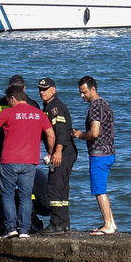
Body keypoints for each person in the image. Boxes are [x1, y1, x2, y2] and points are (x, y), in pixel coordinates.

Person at [0, 85, 55, 238]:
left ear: (12, 98)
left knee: (8, 195)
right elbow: (50, 135)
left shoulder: (8, 113)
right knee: (26, 196)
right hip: (30, 161)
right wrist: (50, 153)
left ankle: (11, 228)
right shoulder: (39, 114)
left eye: (9, 100)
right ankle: (24, 230)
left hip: (9, 161)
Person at [0, 74, 44, 230]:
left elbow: (39, 130)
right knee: (4, 190)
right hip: (5, 153)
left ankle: (29, 220)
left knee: (27, 192)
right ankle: (7, 222)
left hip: (25, 153)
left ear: (24, 89)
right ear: (9, 88)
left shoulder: (32, 104)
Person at [72, 76, 117, 236]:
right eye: (80, 93)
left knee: (99, 190)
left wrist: (79, 134)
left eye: (84, 92)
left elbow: (94, 132)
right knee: (101, 188)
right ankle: (111, 222)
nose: (82, 96)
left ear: (93, 89)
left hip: (99, 154)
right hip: (109, 152)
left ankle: (108, 225)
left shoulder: (95, 106)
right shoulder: (105, 104)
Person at [37, 77, 78, 234]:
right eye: (40, 89)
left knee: (53, 188)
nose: (42, 92)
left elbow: (61, 130)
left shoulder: (55, 107)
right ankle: (64, 223)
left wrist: (58, 151)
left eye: (45, 89)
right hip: (63, 151)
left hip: (63, 151)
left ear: (54, 90)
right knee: (61, 188)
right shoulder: (48, 106)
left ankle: (56, 223)